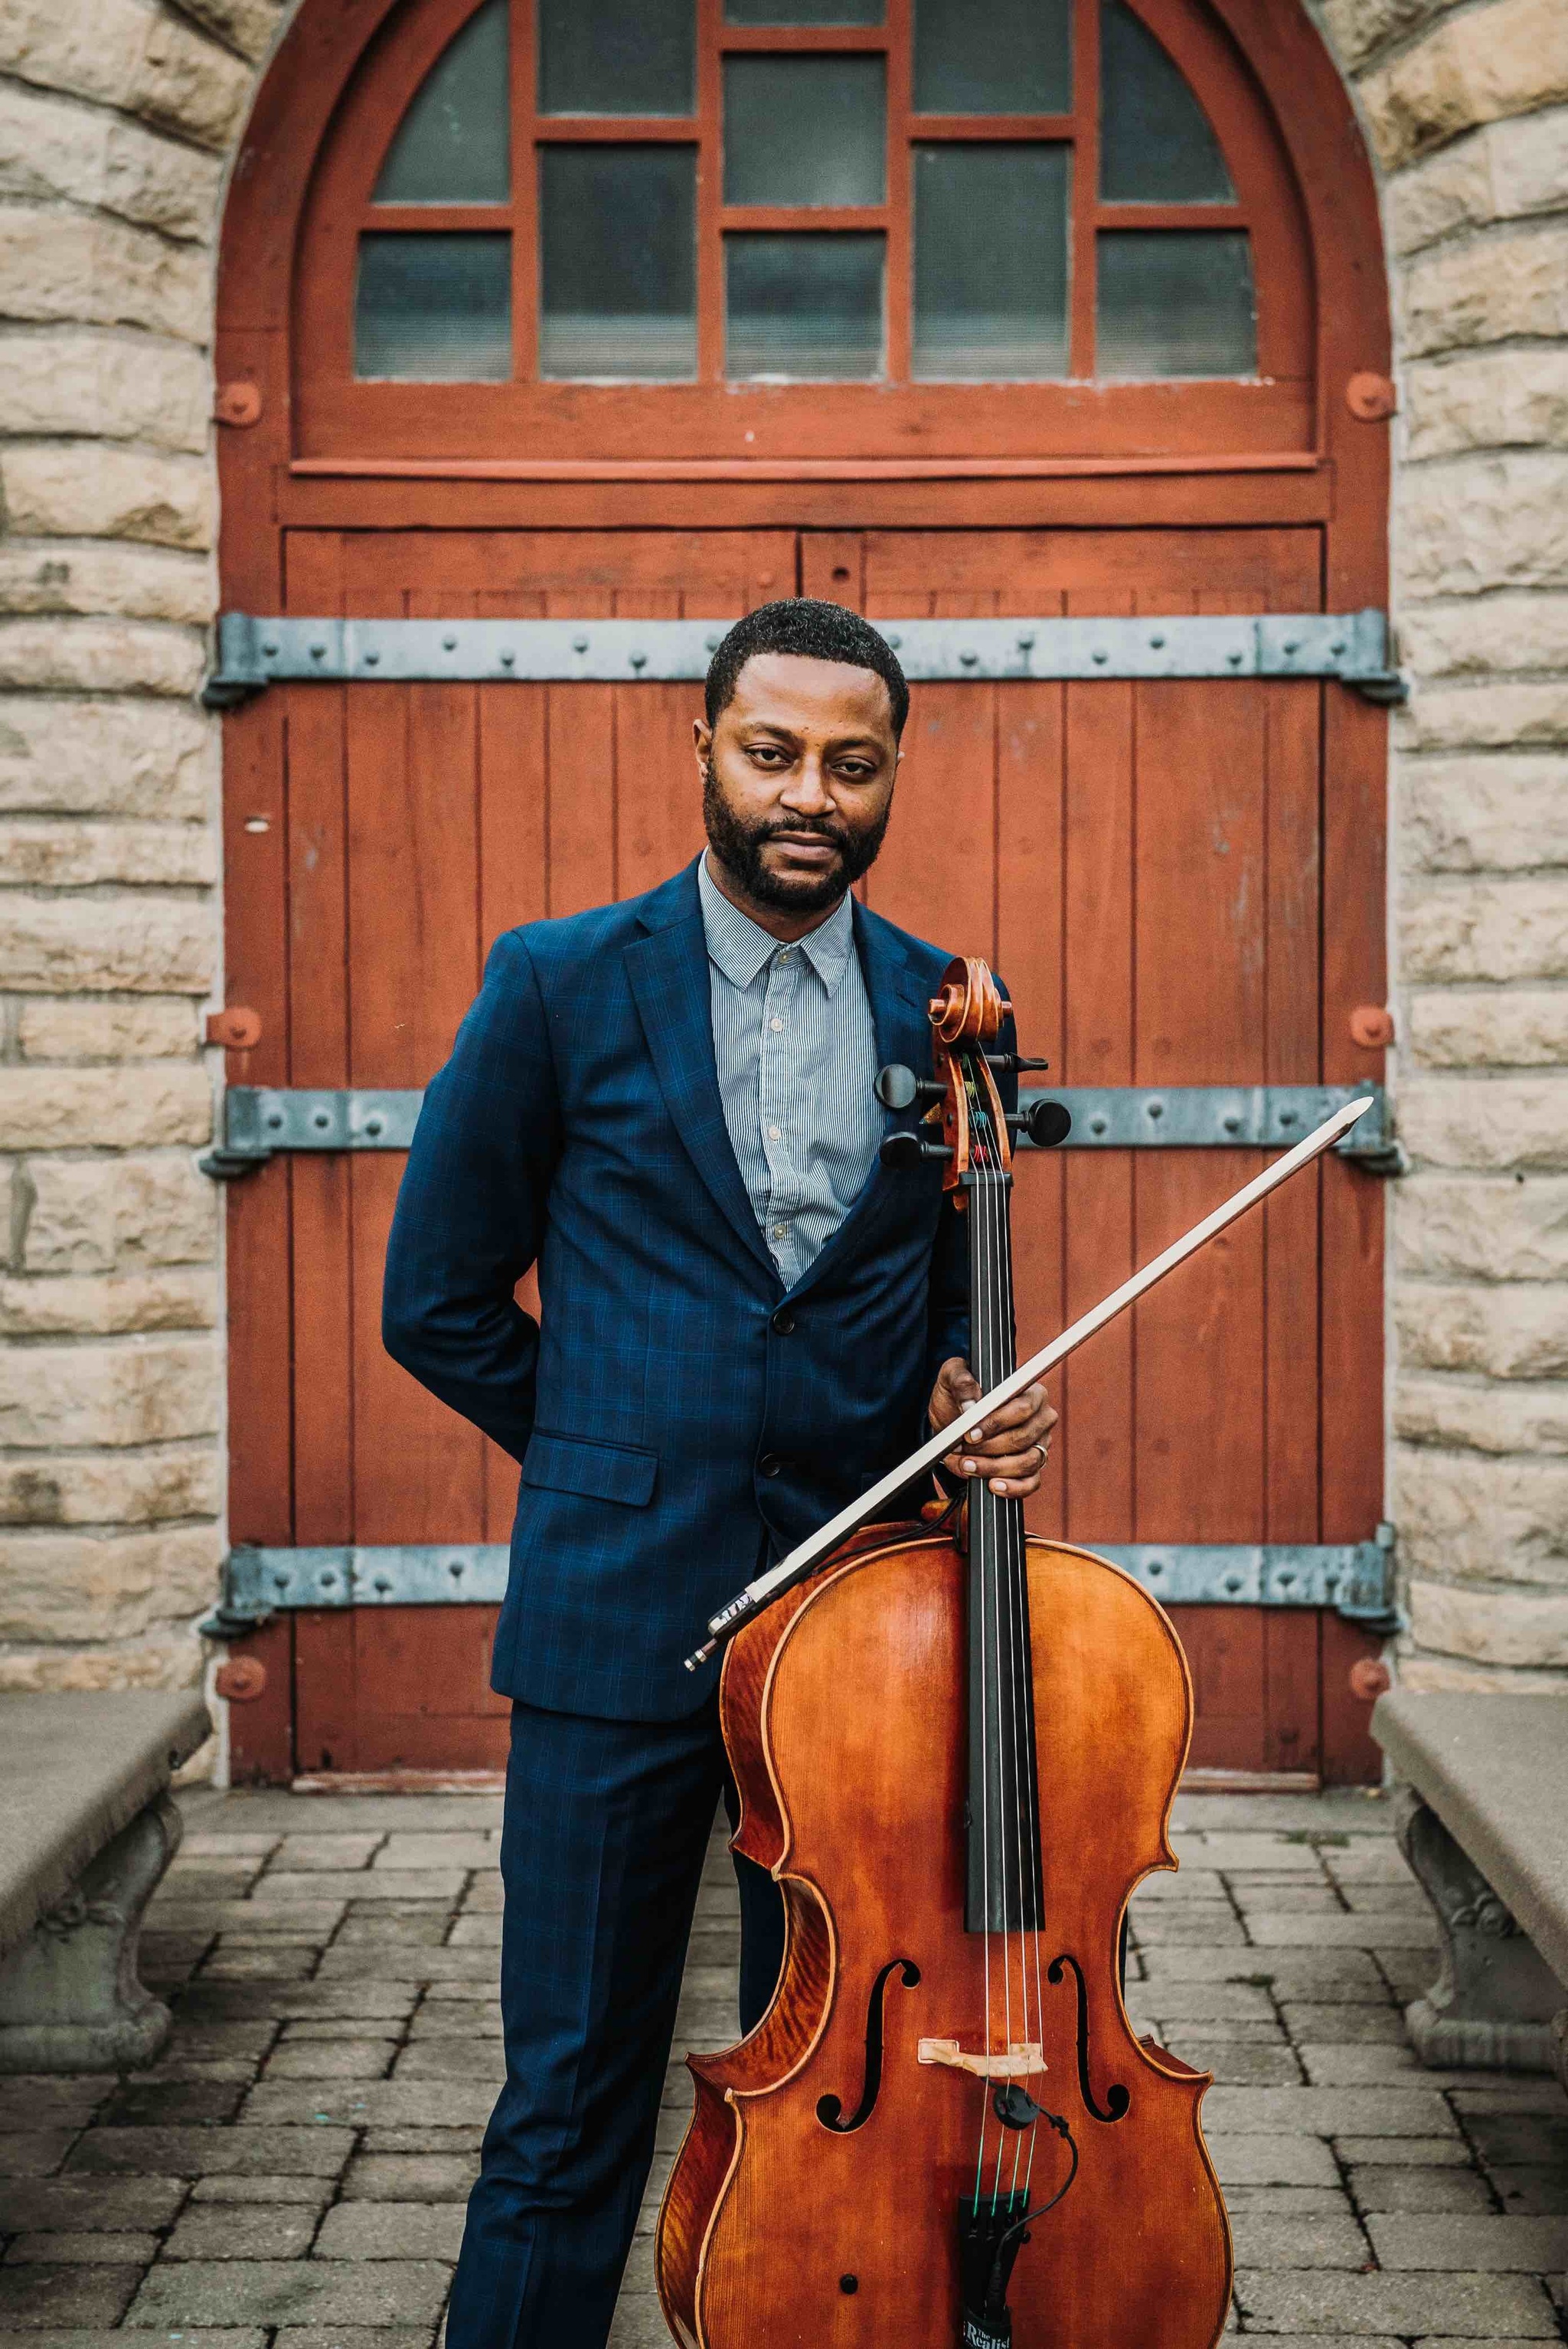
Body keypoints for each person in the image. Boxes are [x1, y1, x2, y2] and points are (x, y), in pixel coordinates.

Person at [382, 597, 1057, 2349]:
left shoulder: (943, 1007)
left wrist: (966, 1407)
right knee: (568, 2100)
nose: (807, 794)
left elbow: (937, 1323)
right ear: (701, 748)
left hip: (856, 1642)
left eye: (851, 760)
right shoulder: (557, 982)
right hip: (617, 1625)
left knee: (837, 2078)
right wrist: (609, 1454)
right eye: (771, 752)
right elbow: (435, 1303)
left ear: (894, 769)